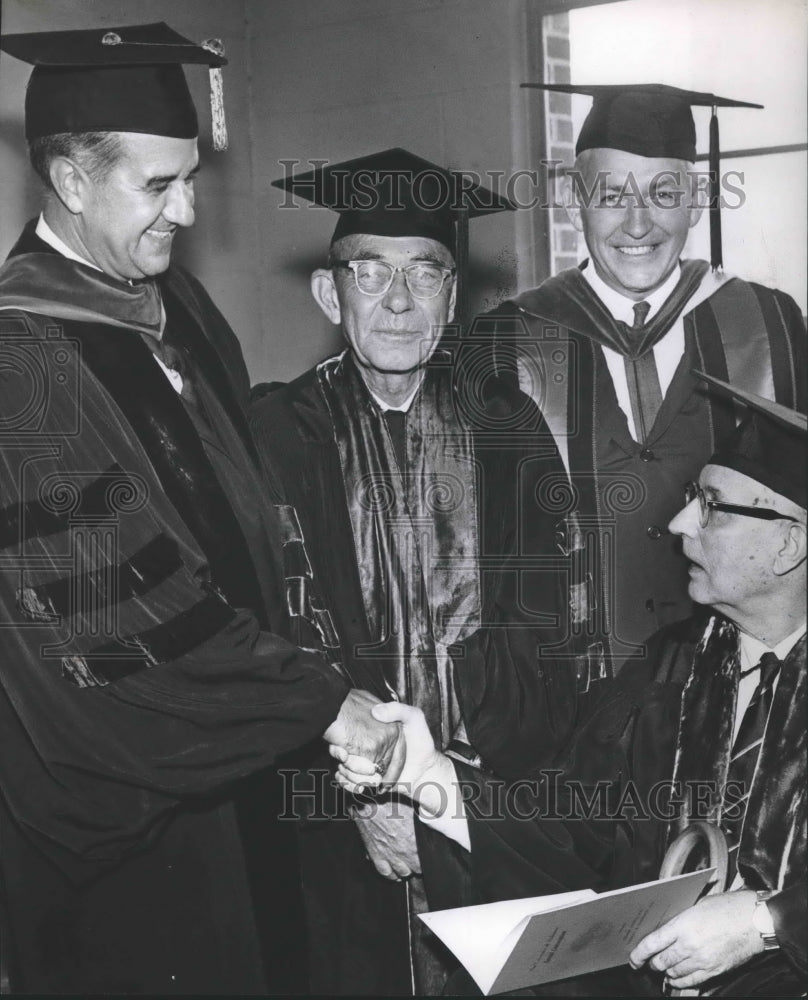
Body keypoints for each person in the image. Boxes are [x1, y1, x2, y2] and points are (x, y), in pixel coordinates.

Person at [0, 23, 398, 995]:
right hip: (139, 829)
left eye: (191, 178)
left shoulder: (178, 311)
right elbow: (112, 624)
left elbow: (253, 537)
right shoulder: (21, 367)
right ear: (72, 180)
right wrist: (315, 703)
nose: (187, 207)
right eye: (157, 184)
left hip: (246, 774)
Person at [336, 376, 806, 996]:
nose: (677, 521)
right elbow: (569, 827)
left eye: (711, 506)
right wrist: (430, 779)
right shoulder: (670, 667)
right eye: (693, 495)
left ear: (789, 545)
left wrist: (765, 921)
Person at [251, 148, 577, 995]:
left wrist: (453, 797)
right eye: (371, 271)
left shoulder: (509, 429)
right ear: (330, 294)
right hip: (327, 809)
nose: (398, 300)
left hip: (487, 800)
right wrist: (364, 797)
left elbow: (549, 636)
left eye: (424, 274)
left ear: (453, 296)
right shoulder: (272, 436)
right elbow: (266, 640)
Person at [478, 83, 806, 674]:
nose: (637, 223)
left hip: (732, 683)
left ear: (697, 200)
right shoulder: (507, 340)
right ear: (576, 201)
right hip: (559, 695)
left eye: (663, 192)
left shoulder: (771, 324)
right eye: (610, 195)